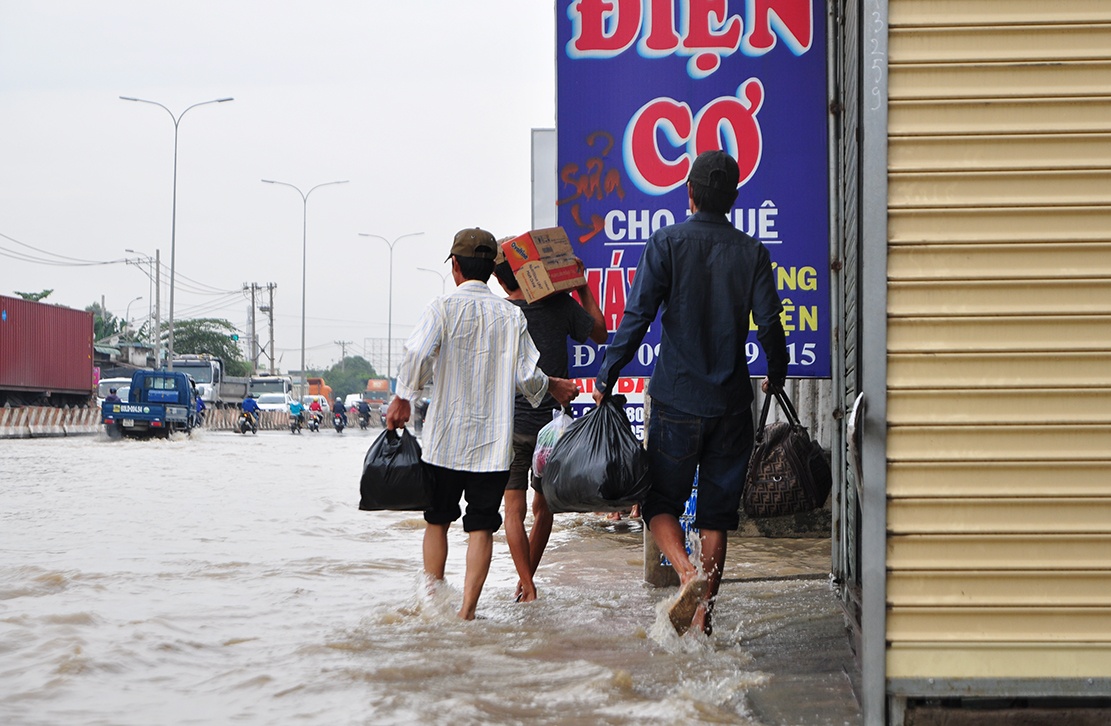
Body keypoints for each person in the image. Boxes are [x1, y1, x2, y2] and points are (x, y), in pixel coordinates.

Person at [592, 150, 788, 637]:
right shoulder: (753, 252)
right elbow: (769, 325)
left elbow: (636, 317)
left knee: (658, 503)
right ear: (734, 199)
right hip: (730, 404)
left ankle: (685, 573)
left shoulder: (667, 243)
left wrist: (607, 375)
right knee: (716, 514)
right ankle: (704, 620)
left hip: (677, 400)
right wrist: (777, 373)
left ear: (690, 193)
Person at [385, 227, 580, 621]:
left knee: (437, 520)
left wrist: (404, 396)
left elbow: (417, 353)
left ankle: (430, 600)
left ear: (455, 267)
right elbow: (528, 376)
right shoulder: (511, 316)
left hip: (443, 440)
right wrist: (554, 386)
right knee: (480, 528)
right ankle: (467, 613)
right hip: (492, 447)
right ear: (492, 270)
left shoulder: (440, 308)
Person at [493, 243, 607, 603]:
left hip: (508, 427)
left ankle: (526, 583)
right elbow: (601, 333)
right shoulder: (558, 305)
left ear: (498, 279)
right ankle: (526, 583)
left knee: (513, 510)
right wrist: (582, 285)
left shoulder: (499, 314)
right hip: (551, 429)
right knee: (544, 510)